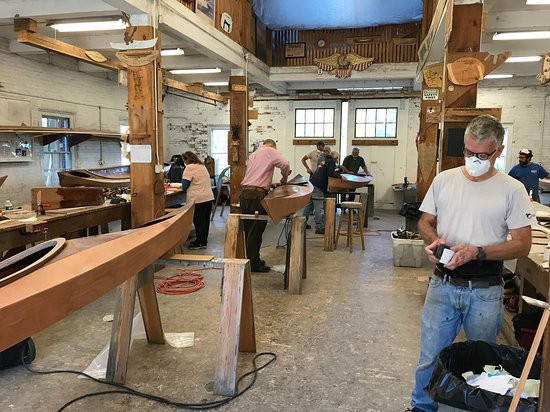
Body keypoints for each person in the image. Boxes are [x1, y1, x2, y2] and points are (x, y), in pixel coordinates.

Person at [409, 115, 532, 412]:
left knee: (482, 361)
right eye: (468, 152)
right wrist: (434, 241)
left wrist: (477, 252)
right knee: (430, 356)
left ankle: (474, 408)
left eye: (481, 155)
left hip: (484, 290)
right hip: (443, 284)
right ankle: (421, 407)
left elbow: (522, 244)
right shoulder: (444, 180)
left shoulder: (511, 189)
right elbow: (425, 221)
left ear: (498, 151)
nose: (473, 159)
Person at [240, 139, 291, 272]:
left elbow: (256, 175)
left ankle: (253, 259)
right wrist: (284, 178)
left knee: (249, 229)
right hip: (256, 196)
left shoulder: (254, 154)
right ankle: (253, 264)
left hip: (246, 194)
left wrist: (269, 184)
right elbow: (285, 164)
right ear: (273, 146)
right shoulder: (270, 151)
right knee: (255, 230)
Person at [302, 147, 340, 234]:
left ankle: (302, 224)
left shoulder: (324, 160)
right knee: (319, 208)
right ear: (335, 158)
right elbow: (330, 173)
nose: (337, 160)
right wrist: (339, 176)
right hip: (318, 186)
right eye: (337, 158)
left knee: (309, 205)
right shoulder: (331, 161)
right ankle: (319, 227)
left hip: (312, 183)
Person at [182, 151, 214, 250]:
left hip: (198, 199)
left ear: (187, 159)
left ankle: (200, 242)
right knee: (205, 221)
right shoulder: (202, 166)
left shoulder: (189, 167)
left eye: (184, 160)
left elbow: (184, 185)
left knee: (198, 221)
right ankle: (203, 240)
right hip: (208, 197)